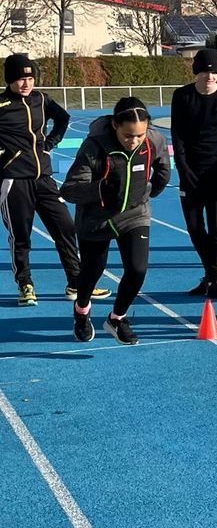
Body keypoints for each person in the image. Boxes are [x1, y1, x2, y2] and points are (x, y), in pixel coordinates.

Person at [0, 54, 109, 306]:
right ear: (9, 79)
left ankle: (76, 281)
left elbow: (63, 119)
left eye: (30, 78)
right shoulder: (2, 105)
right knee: (21, 236)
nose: (26, 83)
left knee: (66, 227)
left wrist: (50, 144)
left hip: (44, 178)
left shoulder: (41, 99)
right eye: (20, 78)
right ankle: (25, 285)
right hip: (14, 180)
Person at [59, 98, 169, 345]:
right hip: (96, 219)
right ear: (114, 125)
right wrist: (100, 189)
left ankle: (116, 319)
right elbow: (69, 189)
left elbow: (163, 169)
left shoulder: (153, 140)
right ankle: (82, 311)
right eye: (128, 135)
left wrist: (147, 193)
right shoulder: (94, 147)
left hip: (135, 214)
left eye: (139, 135)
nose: (134, 141)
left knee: (138, 269)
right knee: (92, 272)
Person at [169, 48, 217, 299]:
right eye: (205, 71)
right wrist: (183, 168)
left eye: (214, 72)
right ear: (196, 72)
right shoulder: (181, 97)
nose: (210, 76)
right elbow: (176, 135)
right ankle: (212, 274)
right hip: (190, 171)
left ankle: (214, 278)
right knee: (194, 226)